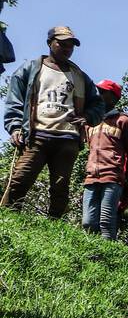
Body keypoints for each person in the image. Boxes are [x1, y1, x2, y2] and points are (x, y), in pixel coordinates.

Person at [2, 26, 105, 219]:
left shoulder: (79, 75)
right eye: (62, 44)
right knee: (20, 180)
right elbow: (14, 99)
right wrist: (15, 127)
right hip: (37, 135)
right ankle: (8, 219)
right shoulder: (31, 68)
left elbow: (98, 104)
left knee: (60, 187)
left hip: (68, 138)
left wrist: (87, 117)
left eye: (70, 46)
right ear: (50, 43)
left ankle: (55, 225)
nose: (67, 49)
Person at [81, 79, 128, 240]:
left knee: (106, 221)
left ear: (114, 98)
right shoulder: (90, 122)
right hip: (91, 177)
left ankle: (107, 258)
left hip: (112, 178)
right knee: (87, 222)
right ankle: (90, 255)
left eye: (103, 92)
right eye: (98, 91)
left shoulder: (123, 121)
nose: (98, 95)